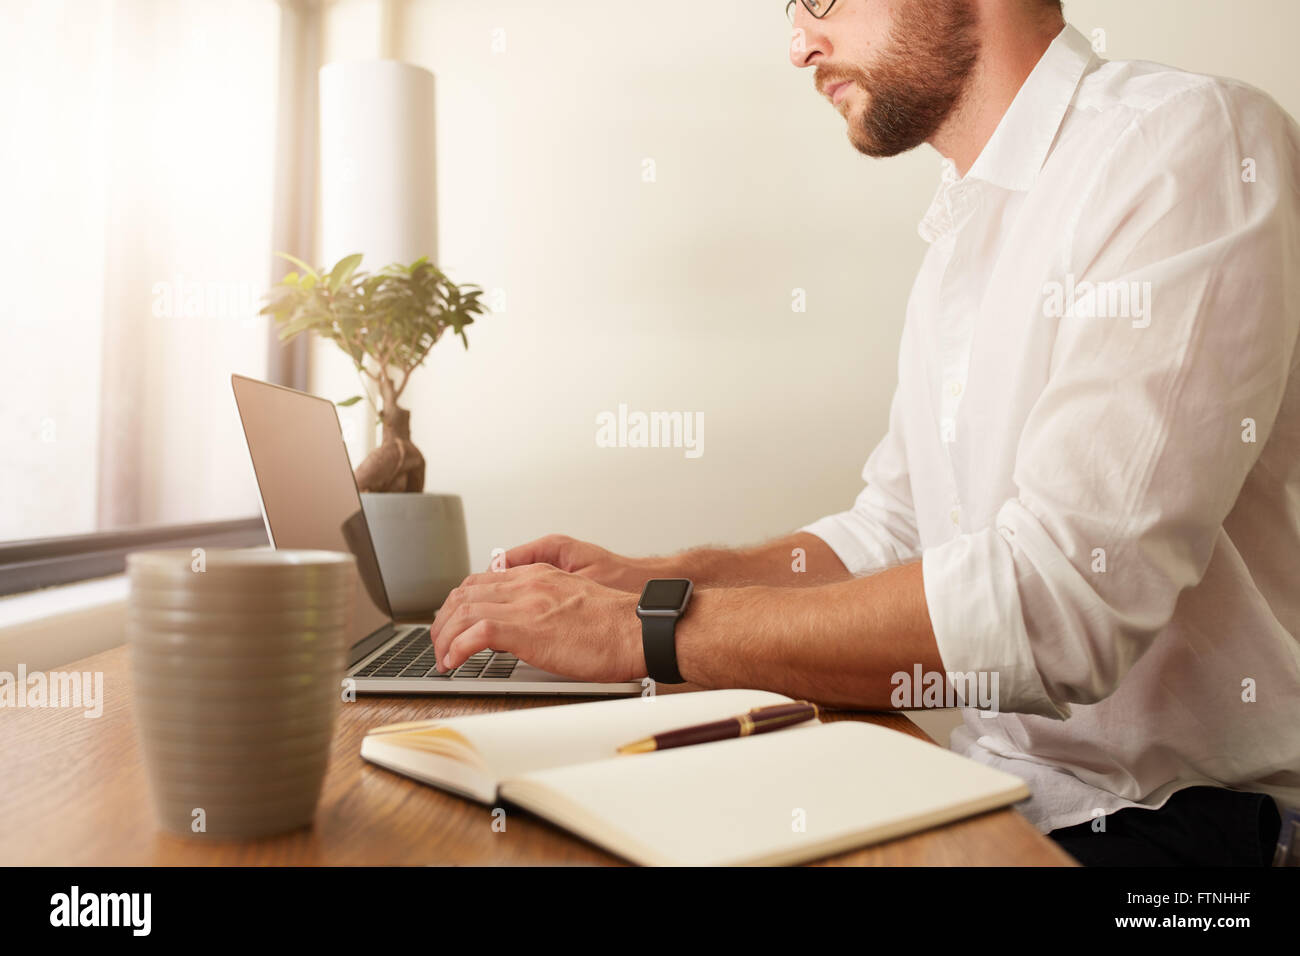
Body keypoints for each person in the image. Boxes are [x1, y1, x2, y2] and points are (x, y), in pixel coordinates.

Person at [430, 0, 1300, 866]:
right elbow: (896, 531)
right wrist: (656, 581)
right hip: (1000, 793)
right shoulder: (964, 234)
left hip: (1192, 835)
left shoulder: (1184, 144)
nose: (800, 44)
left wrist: (645, 632)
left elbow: (1055, 602)